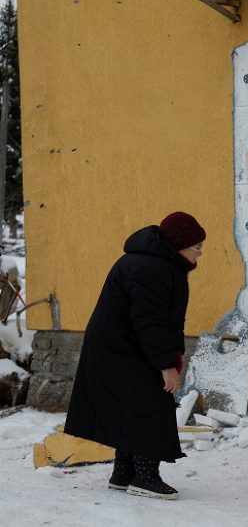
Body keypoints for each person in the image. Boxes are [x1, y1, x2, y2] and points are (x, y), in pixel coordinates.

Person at [64, 211, 206, 500]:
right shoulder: (151, 268)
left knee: (131, 407)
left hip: (125, 345)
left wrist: (173, 354)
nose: (200, 253)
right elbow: (149, 322)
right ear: (178, 245)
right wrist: (166, 365)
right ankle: (146, 477)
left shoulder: (159, 264)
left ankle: (124, 473)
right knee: (149, 406)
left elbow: (165, 321)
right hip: (122, 348)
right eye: (196, 247)